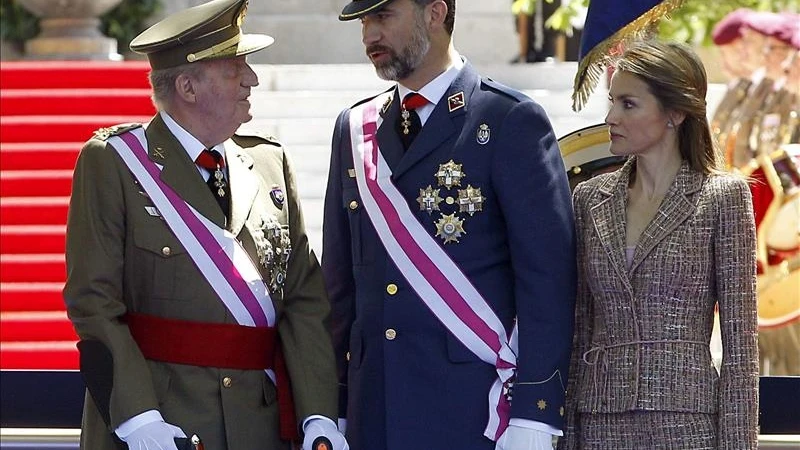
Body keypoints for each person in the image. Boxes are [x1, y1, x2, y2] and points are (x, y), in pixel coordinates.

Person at [62, 1, 348, 449]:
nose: (251, 79)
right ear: (188, 86)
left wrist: (318, 417)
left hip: (261, 426)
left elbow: (304, 301)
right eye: (236, 68)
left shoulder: (269, 161)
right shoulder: (116, 163)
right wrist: (139, 419)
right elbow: (93, 303)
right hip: (165, 421)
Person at [323, 0, 577, 449]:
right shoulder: (354, 128)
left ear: (435, 13)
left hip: (469, 410)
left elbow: (547, 278)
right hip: (374, 409)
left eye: (383, 17)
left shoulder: (507, 120)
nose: (369, 36)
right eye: (364, 21)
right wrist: (331, 407)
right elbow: (339, 286)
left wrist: (534, 415)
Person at [558, 40, 759, 450]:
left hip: (686, 421)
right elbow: (579, 328)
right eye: (612, 101)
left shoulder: (722, 197)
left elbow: (741, 347)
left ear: (675, 113)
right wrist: (569, 436)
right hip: (600, 420)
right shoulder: (589, 198)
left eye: (628, 104)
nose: (611, 117)